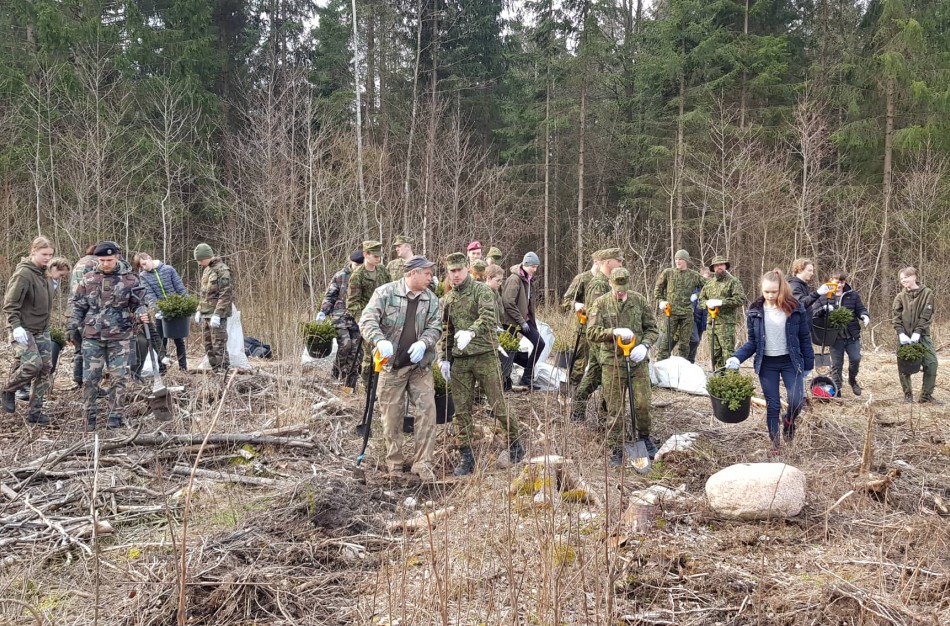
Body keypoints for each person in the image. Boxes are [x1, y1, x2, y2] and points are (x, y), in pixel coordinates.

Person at [358, 255, 442, 480]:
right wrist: (378, 339)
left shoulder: (431, 299)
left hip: (419, 369)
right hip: (390, 368)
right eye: (427, 273)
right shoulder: (385, 293)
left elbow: (436, 327)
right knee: (391, 417)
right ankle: (394, 464)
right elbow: (367, 320)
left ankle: (422, 464)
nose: (430, 277)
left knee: (427, 412)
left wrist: (425, 342)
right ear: (412, 273)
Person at [440, 253, 522, 476]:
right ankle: (466, 455)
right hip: (462, 360)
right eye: (451, 271)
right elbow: (447, 330)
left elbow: (488, 318)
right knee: (461, 410)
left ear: (467, 268)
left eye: (459, 270)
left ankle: (515, 443)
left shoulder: (481, 290)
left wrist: (471, 331)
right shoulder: (448, 299)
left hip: (485, 355)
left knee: (498, 404)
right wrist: (444, 358)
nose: (455, 275)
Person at [727, 269, 813, 451]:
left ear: (781, 289)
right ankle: (776, 446)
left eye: (774, 292)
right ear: (762, 290)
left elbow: (804, 337)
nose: (770, 295)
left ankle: (789, 420)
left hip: (791, 361)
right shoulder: (755, 310)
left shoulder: (795, 308)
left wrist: (809, 364)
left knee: (797, 401)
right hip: (767, 364)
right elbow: (752, 343)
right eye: (766, 292)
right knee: (773, 405)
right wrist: (736, 357)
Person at [68, 241, 150, 430]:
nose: (105, 264)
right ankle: (90, 416)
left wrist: (141, 312)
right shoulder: (88, 278)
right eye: (102, 260)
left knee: (118, 378)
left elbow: (139, 304)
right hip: (92, 336)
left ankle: (115, 415)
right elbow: (78, 306)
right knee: (90, 379)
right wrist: (71, 328)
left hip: (119, 337)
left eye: (109, 260)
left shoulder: (131, 280)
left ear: (117, 257)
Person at [586, 267, 659, 466]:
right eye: (617, 288)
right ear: (610, 283)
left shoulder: (639, 301)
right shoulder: (600, 304)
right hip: (612, 363)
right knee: (615, 409)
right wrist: (613, 332)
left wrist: (644, 345)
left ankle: (644, 437)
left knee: (642, 404)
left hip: (637, 362)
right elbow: (591, 332)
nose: (621, 292)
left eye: (624, 288)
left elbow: (653, 329)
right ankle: (616, 448)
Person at [2, 236, 57, 425]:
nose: (47, 258)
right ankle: (8, 390)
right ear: (33, 252)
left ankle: (36, 412)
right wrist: (15, 326)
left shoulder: (45, 273)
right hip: (23, 329)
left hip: (42, 329)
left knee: (45, 369)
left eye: (50, 255)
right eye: (44, 254)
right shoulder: (23, 274)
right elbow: (10, 304)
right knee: (33, 365)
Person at [571, 248, 623, 421]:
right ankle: (600, 414)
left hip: (605, 337)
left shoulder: (607, 281)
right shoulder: (599, 284)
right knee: (603, 375)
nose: (621, 264)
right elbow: (596, 315)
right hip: (600, 339)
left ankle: (582, 411)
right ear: (608, 262)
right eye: (618, 261)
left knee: (595, 374)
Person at [811, 270, 869, 396]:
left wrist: (864, 315)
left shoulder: (852, 295)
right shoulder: (823, 295)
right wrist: (823, 310)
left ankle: (852, 380)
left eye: (842, 282)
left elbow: (860, 308)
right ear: (831, 281)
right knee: (837, 364)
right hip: (834, 337)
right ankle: (837, 388)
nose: (840, 285)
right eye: (837, 281)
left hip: (851, 335)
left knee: (856, 358)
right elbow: (814, 313)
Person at [133, 252, 189, 371]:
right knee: (160, 340)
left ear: (149, 258)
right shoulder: (144, 276)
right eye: (141, 266)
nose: (144, 267)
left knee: (179, 340)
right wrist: (157, 310)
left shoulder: (168, 269)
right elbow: (150, 295)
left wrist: (186, 305)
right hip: (160, 312)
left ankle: (183, 368)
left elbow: (179, 287)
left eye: (144, 264)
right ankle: (162, 369)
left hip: (176, 308)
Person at [347, 240, 392, 387]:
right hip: (368, 320)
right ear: (366, 254)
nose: (378, 259)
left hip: (385, 319)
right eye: (375, 256)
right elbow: (352, 303)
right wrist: (363, 321)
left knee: (386, 354)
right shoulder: (357, 276)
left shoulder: (383, 271)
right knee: (369, 356)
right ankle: (368, 387)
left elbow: (391, 292)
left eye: (379, 256)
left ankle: (382, 386)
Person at [893, 266, 939, 404]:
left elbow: (927, 315)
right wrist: (901, 333)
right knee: (904, 366)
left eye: (906, 278)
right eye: (901, 279)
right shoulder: (900, 297)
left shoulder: (927, 293)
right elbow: (896, 317)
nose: (903, 281)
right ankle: (907, 395)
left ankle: (926, 396)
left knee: (931, 363)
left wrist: (918, 332)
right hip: (905, 337)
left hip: (922, 336)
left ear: (914, 277)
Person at [319, 249, 364, 389]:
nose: (358, 268)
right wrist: (323, 311)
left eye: (360, 265)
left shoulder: (366, 276)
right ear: (351, 262)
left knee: (357, 353)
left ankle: (348, 385)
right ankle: (335, 375)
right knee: (346, 345)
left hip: (358, 318)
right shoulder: (341, 276)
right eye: (356, 265)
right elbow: (330, 295)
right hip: (340, 317)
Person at [502, 251, 545, 390]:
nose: (535, 269)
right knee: (508, 351)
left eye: (536, 266)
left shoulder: (528, 279)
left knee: (540, 343)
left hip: (525, 321)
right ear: (526, 264)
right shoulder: (514, 279)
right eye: (533, 266)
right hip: (511, 322)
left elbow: (528, 303)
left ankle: (527, 378)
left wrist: (530, 321)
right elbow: (508, 302)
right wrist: (521, 321)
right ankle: (505, 381)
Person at [653, 249, 706, 361]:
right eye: (676, 259)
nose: (678, 261)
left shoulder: (694, 275)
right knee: (666, 342)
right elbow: (658, 289)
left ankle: (682, 367)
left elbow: (708, 287)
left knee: (684, 344)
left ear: (686, 260)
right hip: (670, 313)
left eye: (680, 259)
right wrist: (661, 301)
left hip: (687, 314)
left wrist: (697, 295)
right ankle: (660, 366)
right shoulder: (668, 273)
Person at [698, 255, 746, 370]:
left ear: (725, 266)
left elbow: (741, 299)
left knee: (728, 354)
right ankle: (719, 379)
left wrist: (722, 302)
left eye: (721, 265)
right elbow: (701, 301)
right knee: (715, 354)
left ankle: (731, 380)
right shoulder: (709, 284)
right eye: (716, 265)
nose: (719, 267)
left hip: (726, 324)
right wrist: (707, 303)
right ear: (713, 268)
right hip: (711, 324)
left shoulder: (733, 282)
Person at [194, 243, 233, 372]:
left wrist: (218, 314)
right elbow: (204, 293)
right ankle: (215, 370)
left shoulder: (223, 270)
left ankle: (223, 371)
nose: (199, 263)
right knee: (208, 345)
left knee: (218, 345)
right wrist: (199, 309)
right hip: (206, 313)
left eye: (200, 260)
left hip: (217, 315)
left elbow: (225, 294)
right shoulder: (207, 270)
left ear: (207, 257)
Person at [562, 256, 598, 386]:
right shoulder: (582, 279)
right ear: (596, 262)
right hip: (584, 328)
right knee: (580, 363)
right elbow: (566, 301)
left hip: (602, 330)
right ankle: (572, 390)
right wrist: (575, 304)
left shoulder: (609, 281)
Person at [68, 244, 98, 388]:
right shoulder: (95, 263)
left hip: (72, 308)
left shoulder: (79, 262)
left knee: (79, 347)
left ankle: (78, 379)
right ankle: (87, 383)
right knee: (89, 347)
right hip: (84, 310)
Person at [788, 258, 832, 325]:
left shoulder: (803, 285)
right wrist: (817, 293)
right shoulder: (794, 285)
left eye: (812, 271)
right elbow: (800, 304)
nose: (812, 273)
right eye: (809, 270)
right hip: (798, 327)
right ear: (800, 270)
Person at [687, 274, 709, 363]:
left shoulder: (709, 290)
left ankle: (691, 362)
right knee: (694, 340)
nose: (705, 280)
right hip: (692, 319)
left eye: (707, 278)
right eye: (704, 278)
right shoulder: (693, 288)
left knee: (697, 342)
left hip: (702, 321)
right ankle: (686, 361)